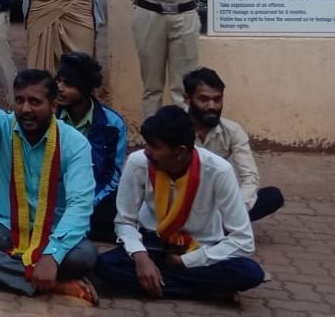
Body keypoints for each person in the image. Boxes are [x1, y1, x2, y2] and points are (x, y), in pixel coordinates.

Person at [0, 64, 99, 304]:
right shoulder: (5, 125)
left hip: (54, 232)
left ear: (54, 106)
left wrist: (51, 255)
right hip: (7, 228)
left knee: (85, 255)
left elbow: (80, 206)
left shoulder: (74, 143)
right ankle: (51, 283)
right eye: (20, 101)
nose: (26, 109)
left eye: (35, 102)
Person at [96, 107, 265, 300]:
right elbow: (125, 222)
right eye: (147, 144)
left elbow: (243, 241)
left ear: (180, 152)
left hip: (200, 248)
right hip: (153, 244)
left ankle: (159, 284)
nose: (147, 151)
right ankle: (208, 292)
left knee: (250, 272)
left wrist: (186, 261)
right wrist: (141, 257)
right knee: (105, 266)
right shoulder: (138, 163)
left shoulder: (218, 171)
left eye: (155, 146)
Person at [183, 68, 283, 221]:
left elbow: (249, 177)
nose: (212, 106)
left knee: (273, 196)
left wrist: (237, 211)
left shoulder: (232, 131)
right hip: (182, 203)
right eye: (204, 99)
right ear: (187, 99)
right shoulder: (173, 127)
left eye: (217, 99)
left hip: (220, 206)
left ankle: (221, 227)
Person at [55, 52, 127, 241]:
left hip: (94, 200)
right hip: (53, 198)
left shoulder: (113, 124)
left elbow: (112, 176)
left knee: (122, 208)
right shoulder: (49, 119)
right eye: (58, 81)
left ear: (85, 87)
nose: (60, 88)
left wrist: (86, 204)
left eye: (68, 83)